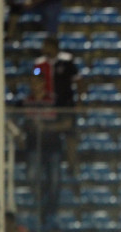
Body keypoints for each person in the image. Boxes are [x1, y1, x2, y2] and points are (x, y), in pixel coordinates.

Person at [18, 75, 70, 229]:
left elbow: (67, 122)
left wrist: (47, 128)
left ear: (43, 84)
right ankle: (40, 205)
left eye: (38, 83)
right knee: (32, 176)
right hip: (33, 147)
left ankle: (49, 211)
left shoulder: (54, 101)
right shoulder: (25, 102)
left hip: (53, 147)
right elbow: (13, 120)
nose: (36, 86)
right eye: (32, 83)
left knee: (54, 181)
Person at [34, 37, 81, 174]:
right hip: (47, 103)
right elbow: (36, 75)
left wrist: (80, 100)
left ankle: (72, 163)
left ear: (53, 47)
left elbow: (78, 80)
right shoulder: (40, 64)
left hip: (65, 103)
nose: (43, 49)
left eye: (46, 46)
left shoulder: (66, 62)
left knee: (70, 134)